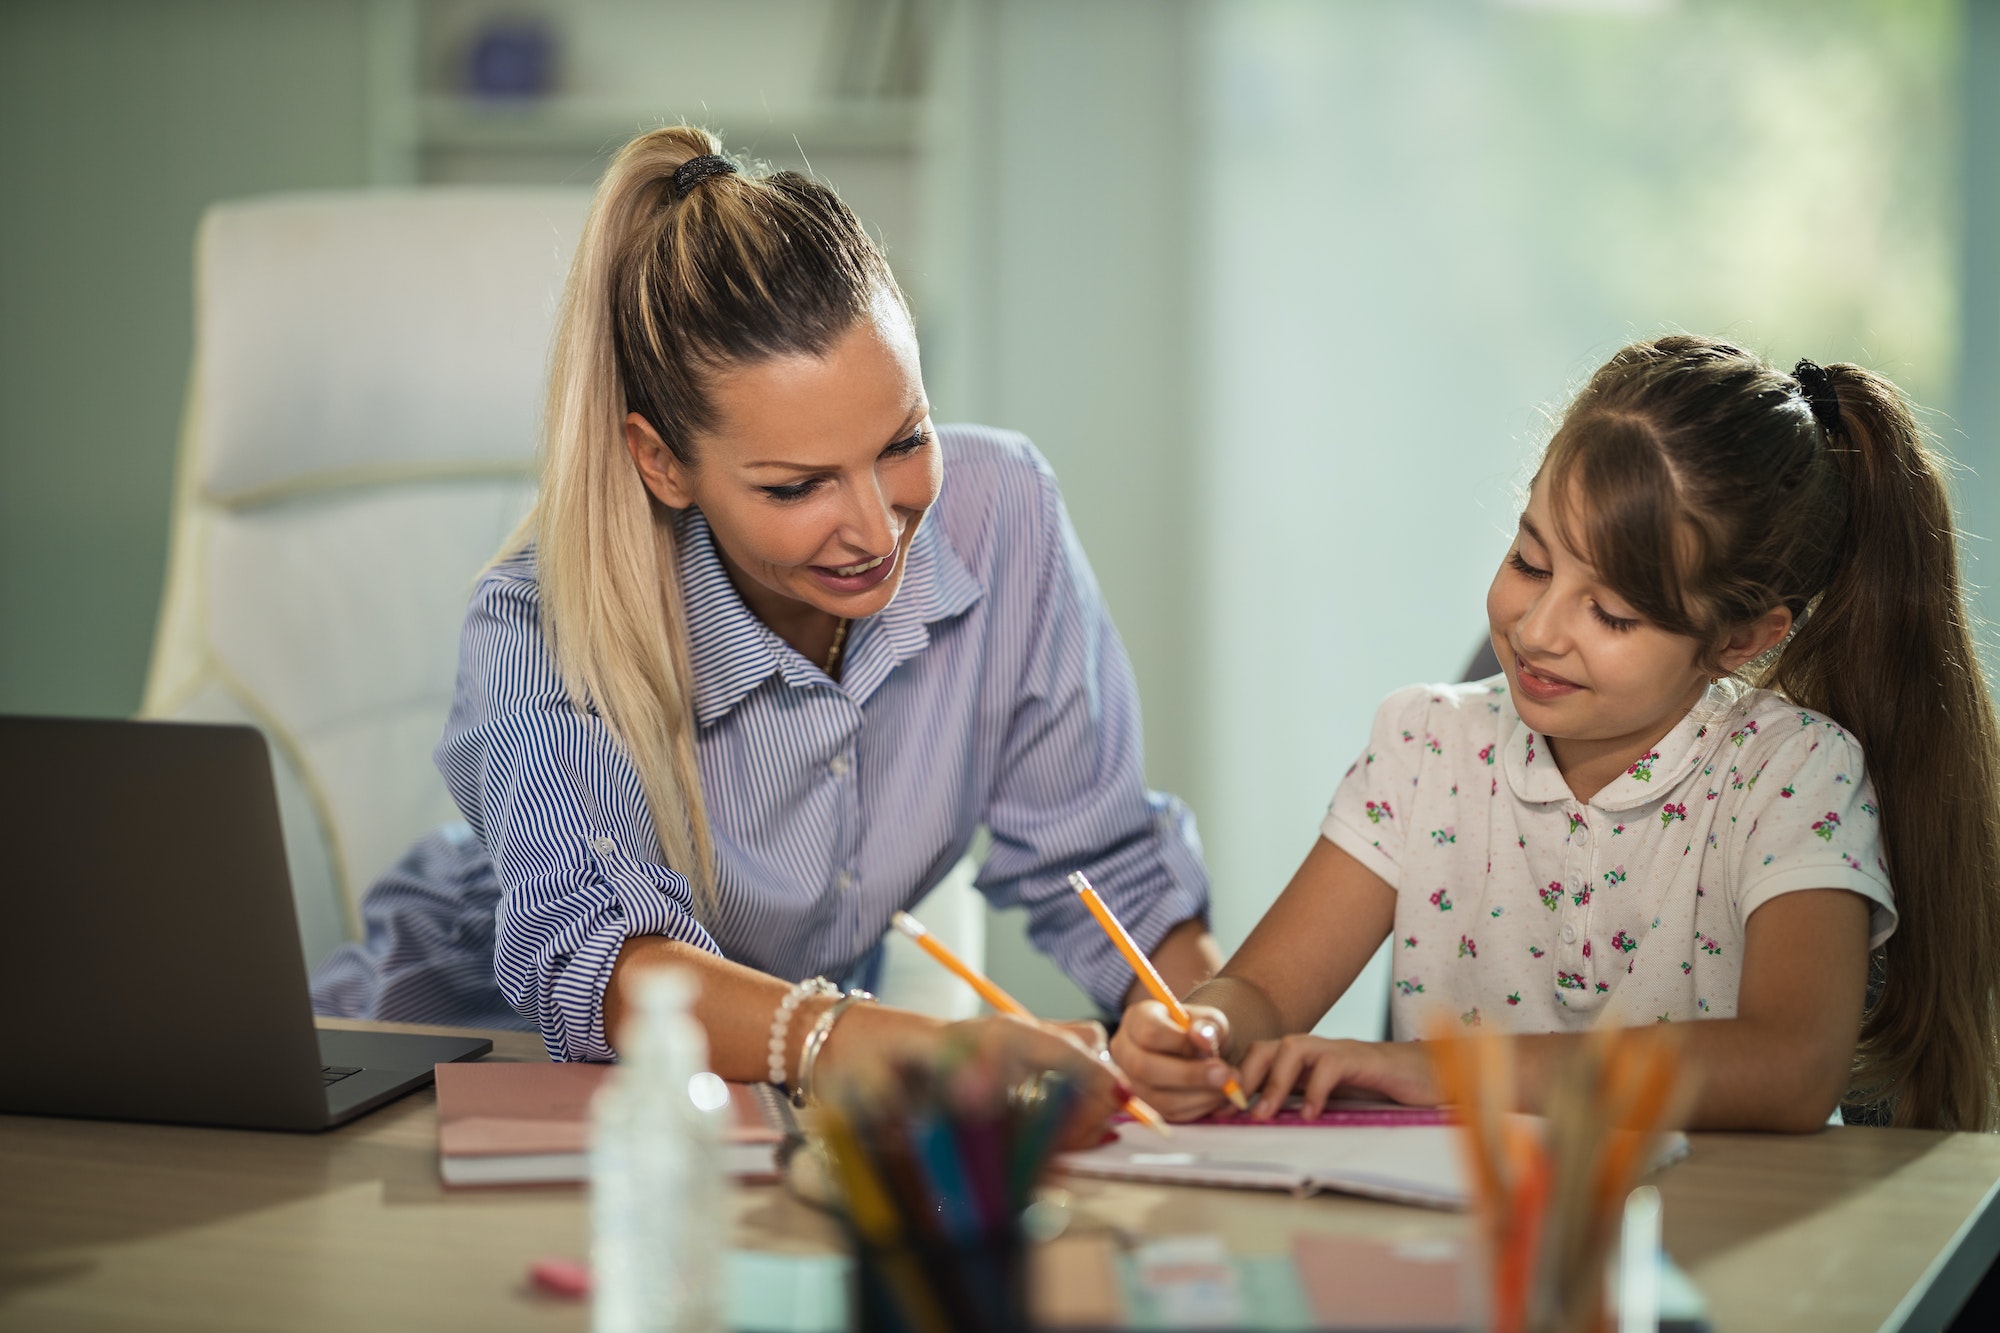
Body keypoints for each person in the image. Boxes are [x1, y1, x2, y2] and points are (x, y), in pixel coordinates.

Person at [314, 126, 1220, 1119]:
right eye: (797, 486)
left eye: (904, 441)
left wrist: (1193, 1020)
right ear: (660, 462)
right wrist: (908, 1048)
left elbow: (1101, 861)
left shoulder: (1004, 515)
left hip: (766, 1096)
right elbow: (606, 965)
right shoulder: (542, 615)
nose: (877, 529)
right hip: (456, 1058)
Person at [1114, 334, 2000, 1132]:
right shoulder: (1424, 743)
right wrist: (1207, 1028)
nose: (1537, 628)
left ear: (1739, 640)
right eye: (1529, 560)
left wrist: (1442, 1073)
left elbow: (1790, 1066)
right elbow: (1265, 990)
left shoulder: (1793, 773)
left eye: (1611, 613)